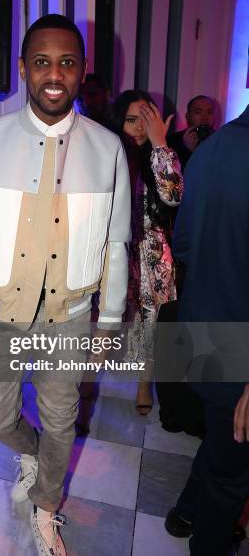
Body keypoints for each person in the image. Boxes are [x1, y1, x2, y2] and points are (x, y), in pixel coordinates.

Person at [0, 14, 131, 556]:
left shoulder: (107, 150)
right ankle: (31, 454)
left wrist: (112, 322)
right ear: (24, 68)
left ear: (82, 72)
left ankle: (47, 507)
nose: (55, 74)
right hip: (0, 313)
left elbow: (115, 245)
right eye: (43, 61)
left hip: (69, 317)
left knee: (61, 422)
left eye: (68, 63)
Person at [165, 105, 249, 556]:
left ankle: (186, 511)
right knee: (232, 472)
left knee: (221, 438)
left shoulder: (211, 149)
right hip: (240, 340)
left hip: (202, 331)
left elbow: (184, 246)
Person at [111, 90, 183, 414]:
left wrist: (159, 144)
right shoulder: (108, 153)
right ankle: (83, 384)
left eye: (146, 120)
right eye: (131, 120)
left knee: (149, 325)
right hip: (113, 253)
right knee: (102, 320)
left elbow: (173, 196)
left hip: (154, 255)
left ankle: (143, 384)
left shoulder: (163, 153)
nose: (139, 128)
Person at [167, 95, 216, 171]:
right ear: (188, 116)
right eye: (198, 112)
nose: (205, 117)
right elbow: (172, 177)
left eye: (209, 112)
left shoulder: (221, 141)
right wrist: (187, 150)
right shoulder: (173, 141)